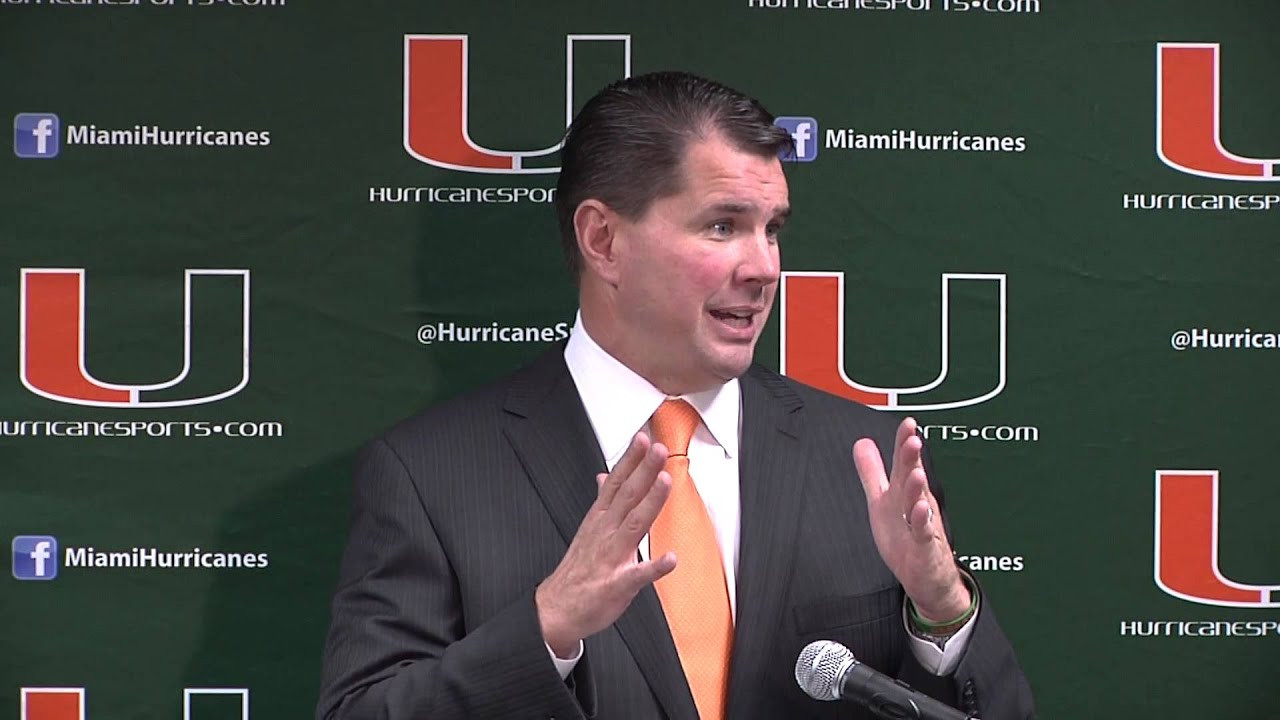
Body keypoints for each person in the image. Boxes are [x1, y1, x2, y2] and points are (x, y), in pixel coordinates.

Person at [316, 71, 1035, 720]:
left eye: (773, 230)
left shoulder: (867, 460)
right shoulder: (430, 475)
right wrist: (547, 628)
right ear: (603, 241)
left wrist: (942, 615)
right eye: (722, 226)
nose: (763, 268)